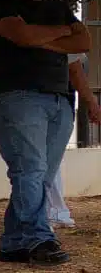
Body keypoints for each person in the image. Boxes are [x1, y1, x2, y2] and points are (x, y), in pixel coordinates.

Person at [0, 0, 91, 265]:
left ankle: (13, 244)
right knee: (30, 169)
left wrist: (39, 35)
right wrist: (59, 34)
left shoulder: (60, 7)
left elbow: (83, 42)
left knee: (39, 176)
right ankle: (39, 239)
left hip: (59, 99)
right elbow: (23, 37)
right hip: (16, 97)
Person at [48, 51, 101, 229]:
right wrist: (92, 103)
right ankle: (53, 212)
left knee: (47, 162)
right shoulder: (67, 45)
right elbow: (75, 70)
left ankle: (54, 211)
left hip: (58, 106)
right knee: (49, 162)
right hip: (56, 107)